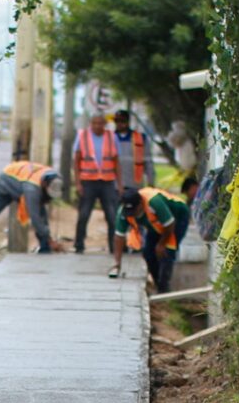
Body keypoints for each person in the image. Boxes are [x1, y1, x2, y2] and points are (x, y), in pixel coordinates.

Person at [0, 161, 66, 256]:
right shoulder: (32, 189)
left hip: (18, 179)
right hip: (5, 182)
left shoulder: (54, 176)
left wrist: (48, 238)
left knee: (42, 214)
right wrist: (49, 239)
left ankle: (45, 248)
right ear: (44, 184)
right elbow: (35, 217)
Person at [109, 177, 199, 292]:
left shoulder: (154, 202)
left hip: (176, 217)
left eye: (135, 212)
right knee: (148, 253)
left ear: (141, 204)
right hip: (156, 223)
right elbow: (119, 237)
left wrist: (161, 243)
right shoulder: (124, 212)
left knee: (167, 251)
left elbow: (170, 224)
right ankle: (158, 283)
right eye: (129, 213)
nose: (133, 215)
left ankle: (164, 289)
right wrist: (117, 264)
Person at [73, 113, 122, 254]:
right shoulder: (82, 136)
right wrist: (77, 183)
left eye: (100, 123)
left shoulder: (112, 137)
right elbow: (76, 161)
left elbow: (116, 162)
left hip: (107, 182)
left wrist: (119, 184)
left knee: (112, 216)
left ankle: (114, 247)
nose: (97, 126)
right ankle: (79, 245)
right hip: (88, 181)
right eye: (94, 123)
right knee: (83, 215)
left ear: (105, 124)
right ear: (90, 123)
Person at [112, 109, 155, 191]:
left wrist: (151, 182)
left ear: (128, 121)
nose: (119, 123)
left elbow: (148, 162)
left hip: (135, 185)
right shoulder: (109, 138)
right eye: (117, 121)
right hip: (114, 185)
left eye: (122, 121)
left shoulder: (140, 138)